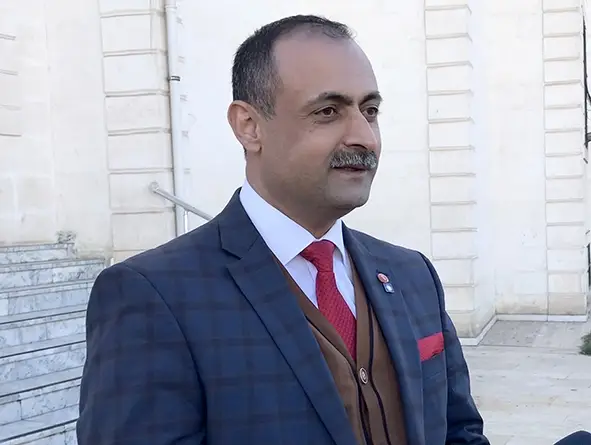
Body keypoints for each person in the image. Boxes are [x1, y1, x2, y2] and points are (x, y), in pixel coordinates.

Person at [77, 15, 490, 445]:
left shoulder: (412, 275)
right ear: (249, 126)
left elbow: (459, 432)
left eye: (370, 111)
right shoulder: (155, 297)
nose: (364, 137)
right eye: (328, 112)